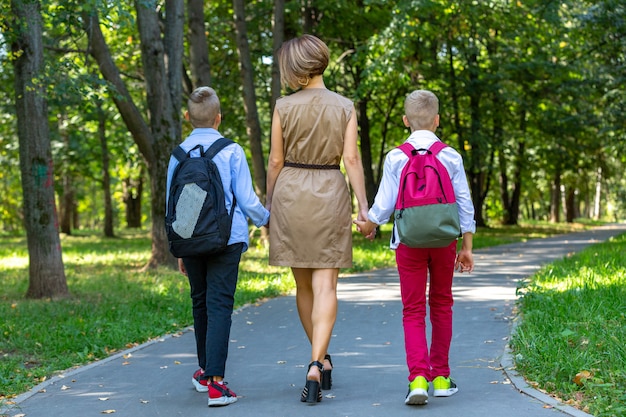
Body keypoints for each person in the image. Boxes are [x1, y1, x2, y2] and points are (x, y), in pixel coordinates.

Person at [354, 89, 475, 406]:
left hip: (408, 241)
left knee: (413, 309)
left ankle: (418, 378)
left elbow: (384, 203)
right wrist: (467, 246)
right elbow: (464, 202)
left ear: (406, 121)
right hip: (445, 240)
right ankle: (442, 377)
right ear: (437, 120)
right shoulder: (450, 156)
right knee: (442, 303)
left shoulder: (396, 156)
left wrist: (370, 224)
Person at [265, 34, 369, 404]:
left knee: (304, 287)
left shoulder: (282, 106)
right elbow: (352, 160)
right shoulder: (344, 106)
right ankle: (316, 361)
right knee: (327, 286)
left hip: (291, 192)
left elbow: (275, 161)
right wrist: (364, 208)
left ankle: (320, 357)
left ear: (295, 68)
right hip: (329, 190)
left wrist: (268, 204)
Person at [166, 86, 270, 407]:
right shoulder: (231, 151)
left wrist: (181, 246)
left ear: (187, 117)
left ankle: (203, 372)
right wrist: (267, 220)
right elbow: (247, 199)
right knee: (220, 304)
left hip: (191, 240)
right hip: (228, 239)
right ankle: (216, 383)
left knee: (200, 302)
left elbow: (171, 202)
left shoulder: (178, 155)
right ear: (219, 118)